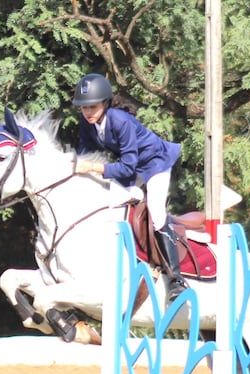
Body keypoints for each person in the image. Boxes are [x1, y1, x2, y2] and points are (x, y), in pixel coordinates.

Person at [72, 73, 188, 302]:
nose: (87, 113)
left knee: (156, 212)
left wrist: (93, 168)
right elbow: (83, 155)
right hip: (132, 167)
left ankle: (176, 279)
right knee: (109, 206)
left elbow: (125, 168)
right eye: (83, 108)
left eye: (92, 107)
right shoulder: (87, 124)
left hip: (155, 163)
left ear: (105, 103)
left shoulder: (120, 121)